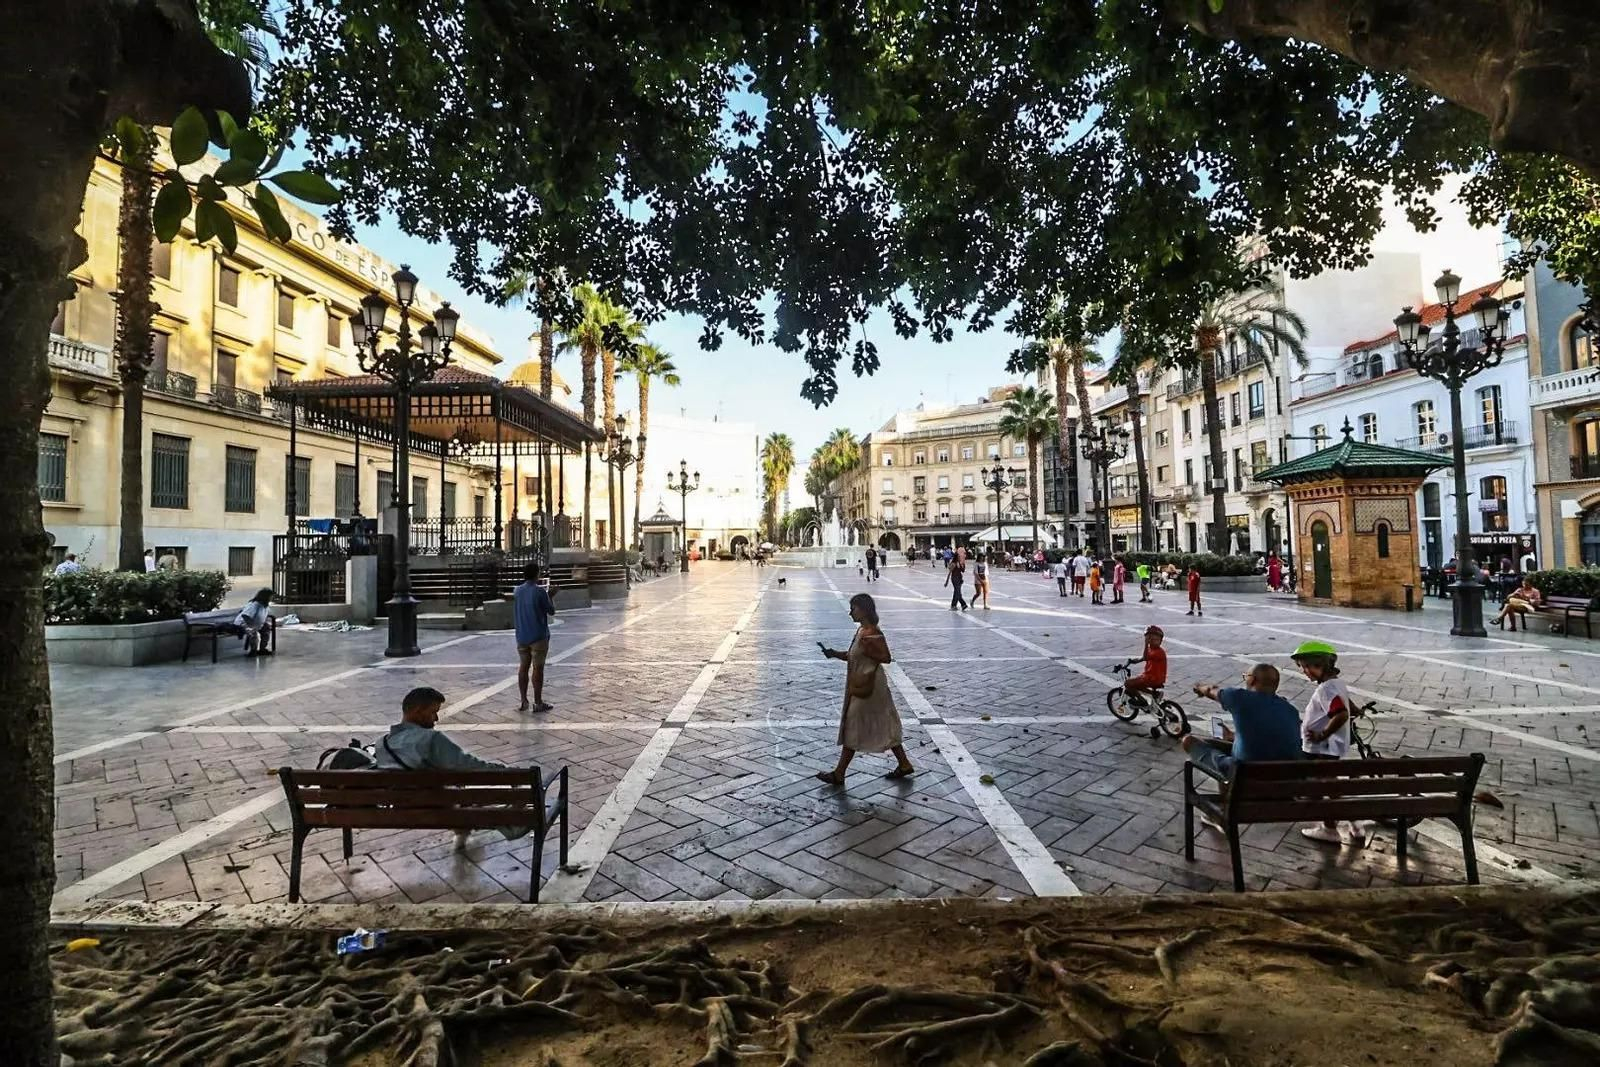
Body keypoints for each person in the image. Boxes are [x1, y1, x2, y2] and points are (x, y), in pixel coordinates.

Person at [376, 686, 530, 851]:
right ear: (418, 711)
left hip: (400, 809)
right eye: (433, 712)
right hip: (439, 808)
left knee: (455, 794)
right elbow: (471, 766)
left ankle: (467, 825)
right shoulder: (430, 739)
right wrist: (509, 773)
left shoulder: (381, 743)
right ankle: (507, 821)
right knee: (488, 793)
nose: (435, 719)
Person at [1183, 664, 1304, 830]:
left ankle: (1224, 812)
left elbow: (1211, 690)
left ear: (1252, 679)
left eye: (1245, 676)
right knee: (1216, 745)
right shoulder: (1291, 710)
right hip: (1283, 784)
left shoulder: (1239, 697)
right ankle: (1225, 806)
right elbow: (1268, 737)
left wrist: (1199, 687)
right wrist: (1234, 737)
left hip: (1245, 776)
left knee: (1190, 741)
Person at [816, 593, 914, 784]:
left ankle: (839, 773)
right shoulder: (862, 631)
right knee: (882, 723)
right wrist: (834, 654)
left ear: (864, 610)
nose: (850, 612)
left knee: (854, 723)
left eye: (854, 608)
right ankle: (904, 764)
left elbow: (885, 657)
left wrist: (870, 648)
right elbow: (854, 655)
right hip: (862, 685)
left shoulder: (871, 633)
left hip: (870, 687)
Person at [1289, 640, 1360, 845]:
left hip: (1324, 748)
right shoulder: (1336, 684)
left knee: (1324, 787)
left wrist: (1323, 735)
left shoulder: (1326, 689)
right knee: (1331, 787)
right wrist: (1357, 710)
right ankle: (1355, 823)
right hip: (1332, 747)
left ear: (1319, 665)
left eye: (1305, 667)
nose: (1304, 672)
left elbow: (1341, 714)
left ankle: (1329, 829)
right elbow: (1348, 706)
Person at [514, 563, 557, 712]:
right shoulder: (540, 592)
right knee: (538, 669)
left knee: (523, 667)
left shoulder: (517, 591)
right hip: (538, 636)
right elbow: (551, 611)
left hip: (522, 635)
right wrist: (550, 596)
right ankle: (538, 702)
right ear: (536, 574)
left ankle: (523, 700)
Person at [1123, 626, 1167, 703]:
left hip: (1152, 678)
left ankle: (1142, 701)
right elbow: (1143, 658)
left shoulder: (1159, 652)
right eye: (1151, 639)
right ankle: (1155, 694)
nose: (1154, 641)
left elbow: (1146, 657)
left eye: (1156, 640)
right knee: (1137, 685)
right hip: (1151, 677)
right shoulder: (1152, 650)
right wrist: (1132, 661)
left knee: (1128, 683)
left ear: (1160, 641)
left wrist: (1146, 644)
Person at [234, 587, 274, 656]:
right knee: (252, 632)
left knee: (266, 629)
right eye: (271, 596)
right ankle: (253, 650)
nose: (272, 598)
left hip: (256, 623)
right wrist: (251, 626)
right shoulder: (254, 605)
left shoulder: (265, 606)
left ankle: (262, 649)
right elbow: (245, 616)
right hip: (244, 623)